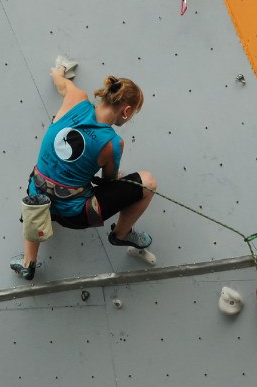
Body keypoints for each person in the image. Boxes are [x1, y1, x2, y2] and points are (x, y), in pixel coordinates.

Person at [11, 65, 157, 280]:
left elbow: (60, 81)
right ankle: (122, 234)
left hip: (38, 197)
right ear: (126, 111)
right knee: (148, 182)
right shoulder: (113, 143)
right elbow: (107, 182)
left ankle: (28, 263)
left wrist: (59, 72)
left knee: (42, 183)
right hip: (75, 215)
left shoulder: (76, 98)